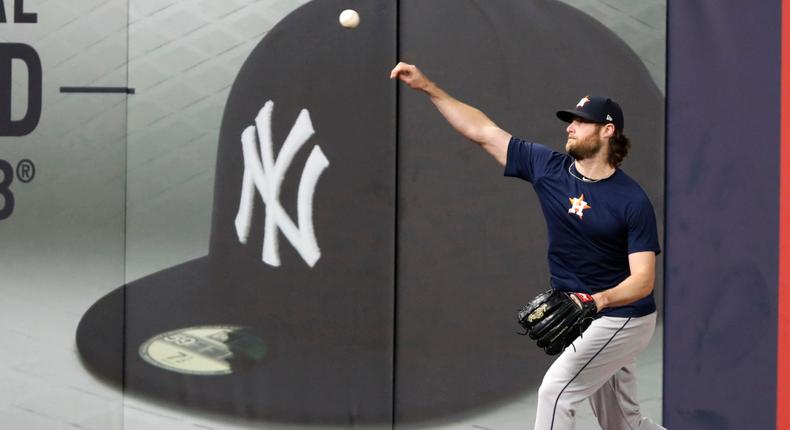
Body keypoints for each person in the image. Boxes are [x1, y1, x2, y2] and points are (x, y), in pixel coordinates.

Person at [390, 62, 666, 430]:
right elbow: (483, 132)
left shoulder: (632, 200)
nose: (570, 126)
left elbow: (643, 281)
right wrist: (429, 88)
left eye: (581, 121)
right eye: (571, 120)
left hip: (623, 318)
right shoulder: (549, 168)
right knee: (623, 424)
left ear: (607, 131)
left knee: (556, 391)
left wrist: (594, 301)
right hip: (588, 317)